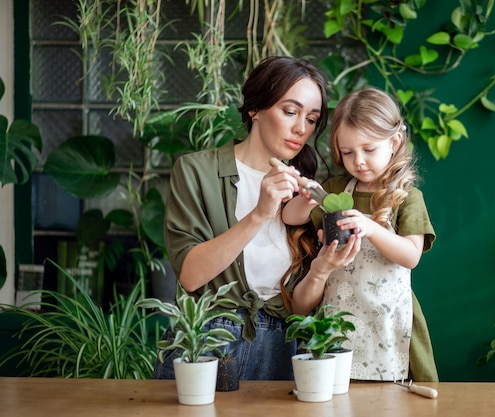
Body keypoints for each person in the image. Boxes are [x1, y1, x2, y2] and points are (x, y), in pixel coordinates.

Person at [153, 56, 361, 380]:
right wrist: (260, 214)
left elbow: (300, 308)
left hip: (282, 346)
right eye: (290, 112)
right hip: (210, 344)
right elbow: (191, 276)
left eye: (311, 118)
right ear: (255, 109)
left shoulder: (310, 193)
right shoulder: (197, 171)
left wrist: (322, 268)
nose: (300, 128)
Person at [282, 87, 438, 382]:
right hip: (340, 317)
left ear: (394, 142)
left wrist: (372, 228)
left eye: (369, 149)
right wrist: (309, 196)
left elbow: (411, 255)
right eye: (348, 152)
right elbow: (290, 216)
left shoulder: (406, 197)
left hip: (389, 322)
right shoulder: (336, 189)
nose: (359, 161)